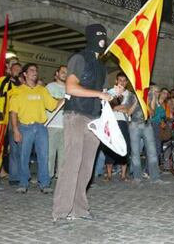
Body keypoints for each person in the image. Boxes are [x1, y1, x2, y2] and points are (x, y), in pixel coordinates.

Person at [52, 23, 111, 223]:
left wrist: (112, 94)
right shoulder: (79, 58)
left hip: (94, 119)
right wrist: (99, 93)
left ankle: (79, 209)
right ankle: (60, 212)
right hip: (76, 115)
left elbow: (101, 94)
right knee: (72, 164)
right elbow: (71, 87)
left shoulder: (102, 67)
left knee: (86, 167)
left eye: (104, 35)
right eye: (98, 36)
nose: (102, 39)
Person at [10, 63, 59, 194]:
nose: (35, 72)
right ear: (25, 74)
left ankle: (44, 183)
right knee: (23, 157)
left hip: (41, 127)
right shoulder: (17, 91)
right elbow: (13, 113)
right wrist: (15, 130)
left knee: (44, 156)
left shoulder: (42, 90)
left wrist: (66, 97)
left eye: (36, 70)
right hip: (25, 127)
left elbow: (53, 105)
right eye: (31, 70)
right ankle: (23, 182)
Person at [128, 93, 161, 183]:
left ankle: (155, 178)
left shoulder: (150, 95)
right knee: (135, 153)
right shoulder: (131, 95)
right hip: (134, 125)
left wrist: (145, 103)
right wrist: (136, 102)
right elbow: (129, 112)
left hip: (147, 125)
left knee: (152, 151)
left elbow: (152, 113)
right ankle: (137, 178)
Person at [104, 72, 131, 182]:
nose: (122, 82)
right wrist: (120, 107)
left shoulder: (129, 94)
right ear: (116, 81)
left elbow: (128, 110)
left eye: (124, 81)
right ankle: (109, 174)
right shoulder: (110, 92)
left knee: (125, 146)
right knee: (110, 146)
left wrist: (118, 107)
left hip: (124, 122)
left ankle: (123, 175)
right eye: (120, 80)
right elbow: (110, 107)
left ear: (127, 82)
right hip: (112, 121)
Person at [46, 65, 67, 179]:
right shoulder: (50, 87)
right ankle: (48, 176)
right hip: (52, 124)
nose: (65, 74)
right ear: (57, 74)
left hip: (66, 125)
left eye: (67, 72)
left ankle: (61, 176)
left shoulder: (70, 88)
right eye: (62, 72)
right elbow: (52, 105)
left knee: (63, 154)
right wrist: (64, 101)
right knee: (50, 153)